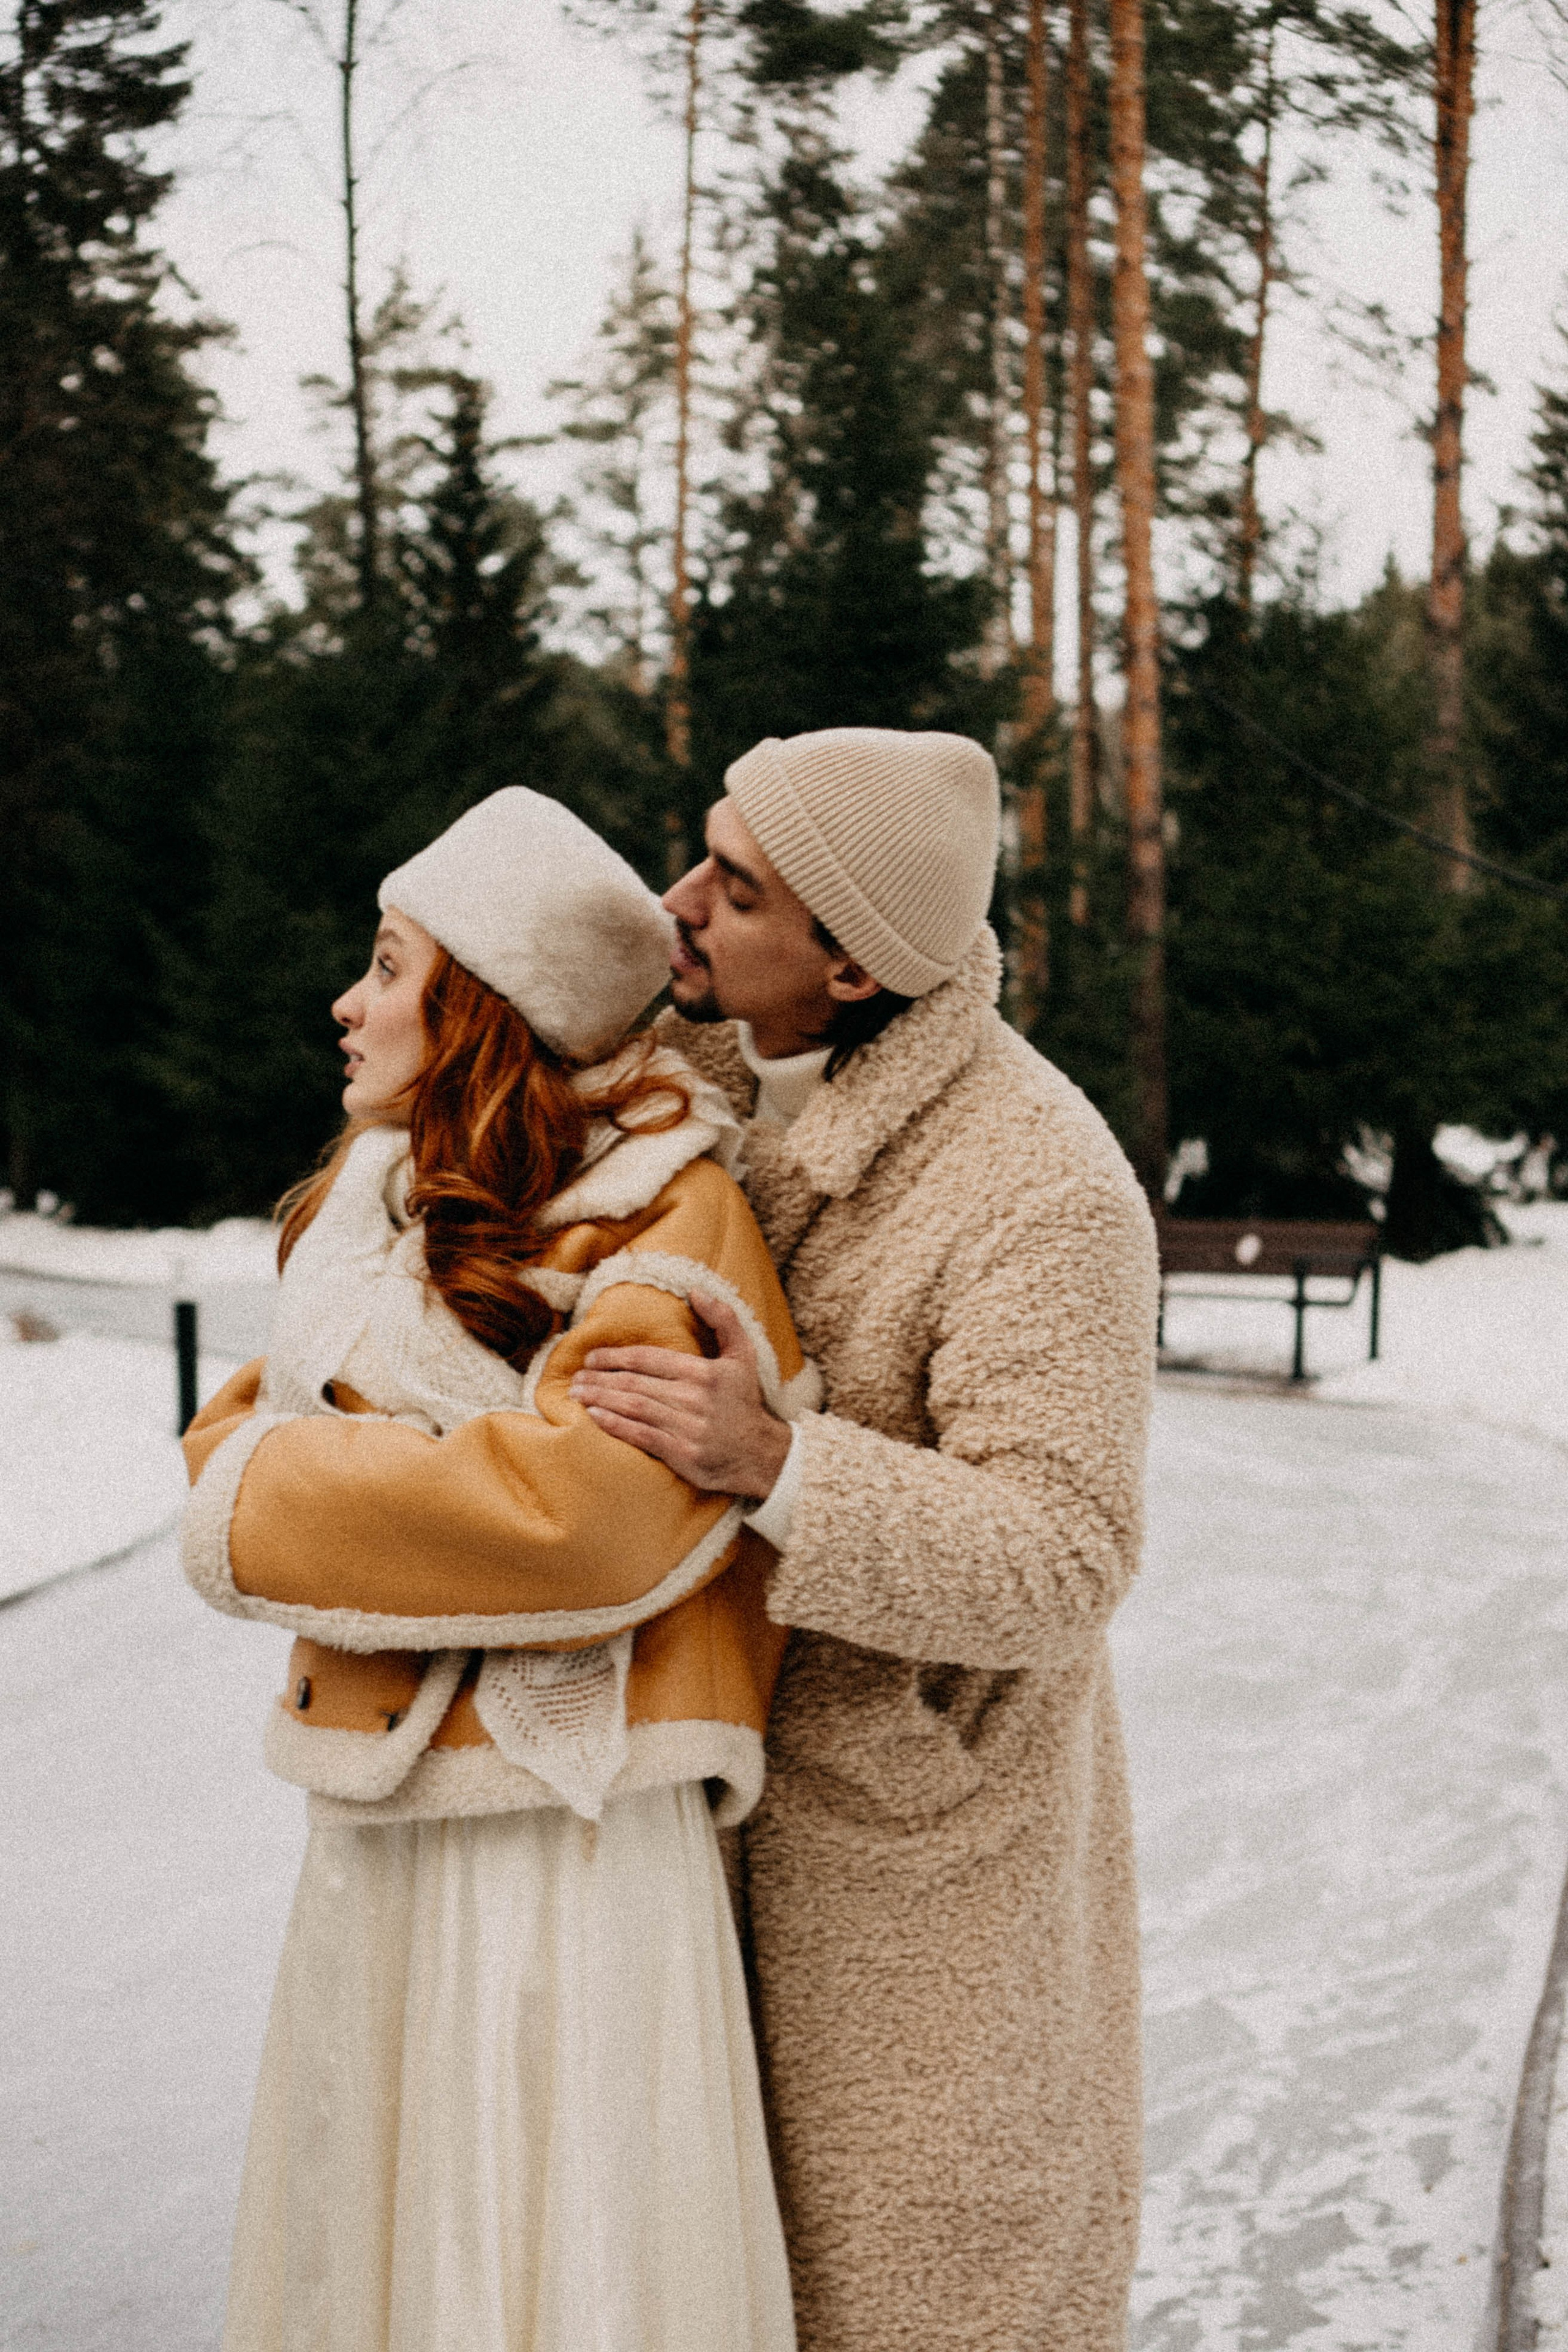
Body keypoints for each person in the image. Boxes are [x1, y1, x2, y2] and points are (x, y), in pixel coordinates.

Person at [179, 788, 810, 2352]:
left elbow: (587, 1517)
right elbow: (223, 1446)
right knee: (374, 2240)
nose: (348, 1001)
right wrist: (421, 1456)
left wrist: (315, 1462)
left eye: (388, 967)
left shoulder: (674, 1210)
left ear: (480, 1006)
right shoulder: (361, 1212)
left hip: (575, 1831)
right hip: (387, 1822)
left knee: (564, 2239)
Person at [568, 726, 1160, 2352]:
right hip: (682, 1804)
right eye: (699, 849)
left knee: (919, 2297)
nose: (675, 903)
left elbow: (1068, 1552)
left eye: (734, 889)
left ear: (844, 967)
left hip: (916, 1871)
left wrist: (784, 1468)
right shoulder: (670, 1084)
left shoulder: (1040, 1186)